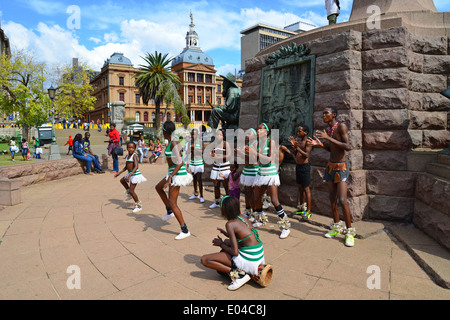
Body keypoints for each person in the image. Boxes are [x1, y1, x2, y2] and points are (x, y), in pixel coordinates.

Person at [307, 106, 355, 247]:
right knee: (332, 199)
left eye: (326, 113)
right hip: (331, 167)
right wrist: (321, 144)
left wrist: (328, 138)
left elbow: (347, 146)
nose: (323, 115)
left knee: (342, 199)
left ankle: (349, 232)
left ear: (333, 114)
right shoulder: (328, 130)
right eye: (323, 113)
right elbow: (332, 149)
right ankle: (336, 226)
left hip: (341, 167)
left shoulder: (341, 126)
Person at [201, 196, 265, 291]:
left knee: (204, 260)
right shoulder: (242, 217)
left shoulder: (230, 224)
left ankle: (239, 275)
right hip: (258, 255)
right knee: (227, 243)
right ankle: (238, 271)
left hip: (251, 259)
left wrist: (221, 243)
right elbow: (242, 235)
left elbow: (235, 252)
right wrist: (225, 234)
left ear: (226, 210)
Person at [155, 121, 193, 240]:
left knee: (173, 202)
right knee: (158, 188)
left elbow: (180, 161)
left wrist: (170, 177)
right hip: (171, 172)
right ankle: (169, 211)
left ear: (166, 131)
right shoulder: (170, 141)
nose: (162, 132)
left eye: (163, 130)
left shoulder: (174, 142)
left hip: (176, 174)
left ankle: (185, 230)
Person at [252, 123, 291, 239]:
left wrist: (255, 153)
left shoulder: (271, 142)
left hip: (270, 173)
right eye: (257, 129)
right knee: (256, 197)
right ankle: (260, 219)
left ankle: (285, 227)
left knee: (274, 200)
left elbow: (269, 160)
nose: (258, 131)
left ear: (267, 132)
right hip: (261, 173)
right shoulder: (258, 143)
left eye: (261, 129)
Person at [279, 125, 313, 220]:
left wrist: (297, 147)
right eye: (297, 131)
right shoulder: (298, 142)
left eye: (300, 131)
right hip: (298, 166)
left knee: (306, 189)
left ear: (305, 132)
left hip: (305, 167)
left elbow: (306, 155)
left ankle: (309, 211)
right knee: (300, 188)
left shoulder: (308, 142)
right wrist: (294, 147)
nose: (298, 133)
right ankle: (301, 208)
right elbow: (296, 153)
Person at [115, 142, 147, 213]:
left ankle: (139, 206)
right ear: (127, 148)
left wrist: (130, 175)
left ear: (135, 149)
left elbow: (136, 166)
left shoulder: (134, 155)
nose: (131, 149)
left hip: (135, 174)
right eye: (129, 147)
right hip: (130, 174)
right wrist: (119, 173)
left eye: (132, 148)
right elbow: (126, 167)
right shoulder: (127, 156)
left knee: (132, 190)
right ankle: (129, 194)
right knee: (122, 180)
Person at [236, 128, 259, 220]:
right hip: (246, 170)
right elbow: (245, 158)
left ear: (254, 135)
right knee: (247, 192)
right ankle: (248, 210)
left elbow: (253, 159)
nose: (247, 135)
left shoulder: (256, 144)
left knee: (252, 193)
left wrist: (242, 153)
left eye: (249, 133)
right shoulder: (248, 144)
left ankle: (254, 212)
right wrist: (240, 153)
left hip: (253, 170)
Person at [209, 129, 232, 209]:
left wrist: (219, 157)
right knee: (216, 185)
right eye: (217, 134)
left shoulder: (226, 144)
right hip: (216, 166)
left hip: (224, 167)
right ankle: (217, 201)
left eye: (220, 134)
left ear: (223, 136)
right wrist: (212, 155)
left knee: (226, 186)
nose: (218, 136)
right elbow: (212, 154)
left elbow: (229, 155)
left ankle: (228, 203)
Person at [188, 129, 205, 203]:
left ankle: (201, 196)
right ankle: (195, 193)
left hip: (199, 161)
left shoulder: (200, 142)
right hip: (192, 161)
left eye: (194, 134)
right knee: (194, 178)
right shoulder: (190, 142)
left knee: (199, 179)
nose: (193, 136)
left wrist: (194, 149)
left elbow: (202, 151)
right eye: (192, 134)